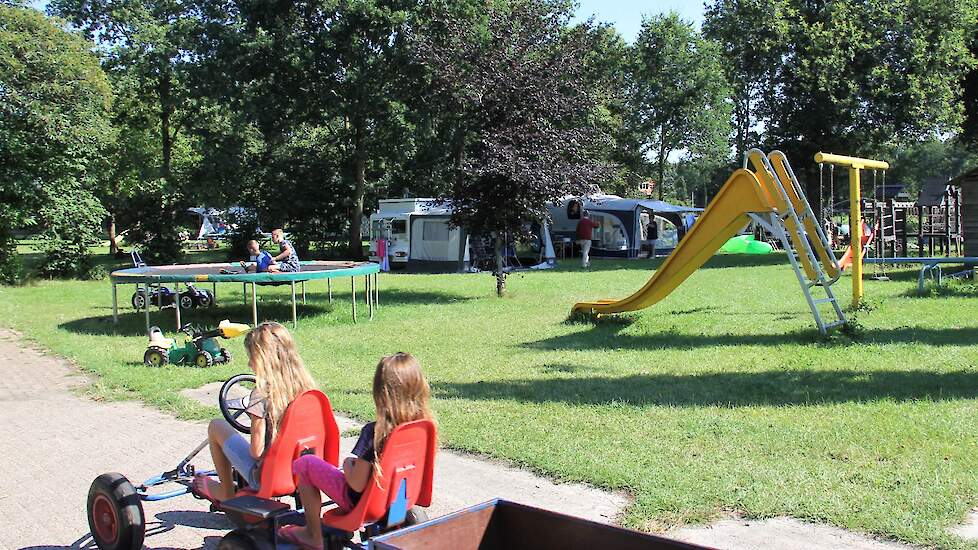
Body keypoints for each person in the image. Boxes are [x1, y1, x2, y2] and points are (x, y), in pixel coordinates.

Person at [278, 352, 435, 549]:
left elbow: (356, 484)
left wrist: (348, 464)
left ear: (381, 392)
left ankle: (312, 534)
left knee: (305, 464)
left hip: (365, 504)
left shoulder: (375, 433)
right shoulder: (422, 428)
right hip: (399, 501)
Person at [191, 322, 317, 503]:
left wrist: (255, 418)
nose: (249, 364)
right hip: (302, 472)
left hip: (268, 478)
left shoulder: (261, 395)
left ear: (263, 360)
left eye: (252, 358)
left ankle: (225, 491)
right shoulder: (308, 390)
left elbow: (257, 451)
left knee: (216, 426)